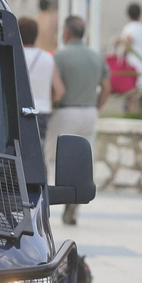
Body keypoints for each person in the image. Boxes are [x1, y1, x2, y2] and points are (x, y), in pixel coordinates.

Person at [48, 15, 109, 225]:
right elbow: (107, 87)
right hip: (89, 112)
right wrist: (96, 106)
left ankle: (46, 203)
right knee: (83, 161)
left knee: (53, 158)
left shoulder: (59, 56)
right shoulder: (96, 56)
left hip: (66, 112)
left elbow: (56, 88)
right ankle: (73, 205)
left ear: (66, 33)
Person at [19, 15, 55, 142]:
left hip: (18, 108)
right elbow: (59, 91)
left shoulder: (14, 54)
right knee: (38, 150)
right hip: (41, 110)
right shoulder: (47, 57)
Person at [118, 2, 142, 113]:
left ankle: (133, 115)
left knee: (132, 96)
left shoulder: (129, 28)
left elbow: (127, 46)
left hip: (133, 64)